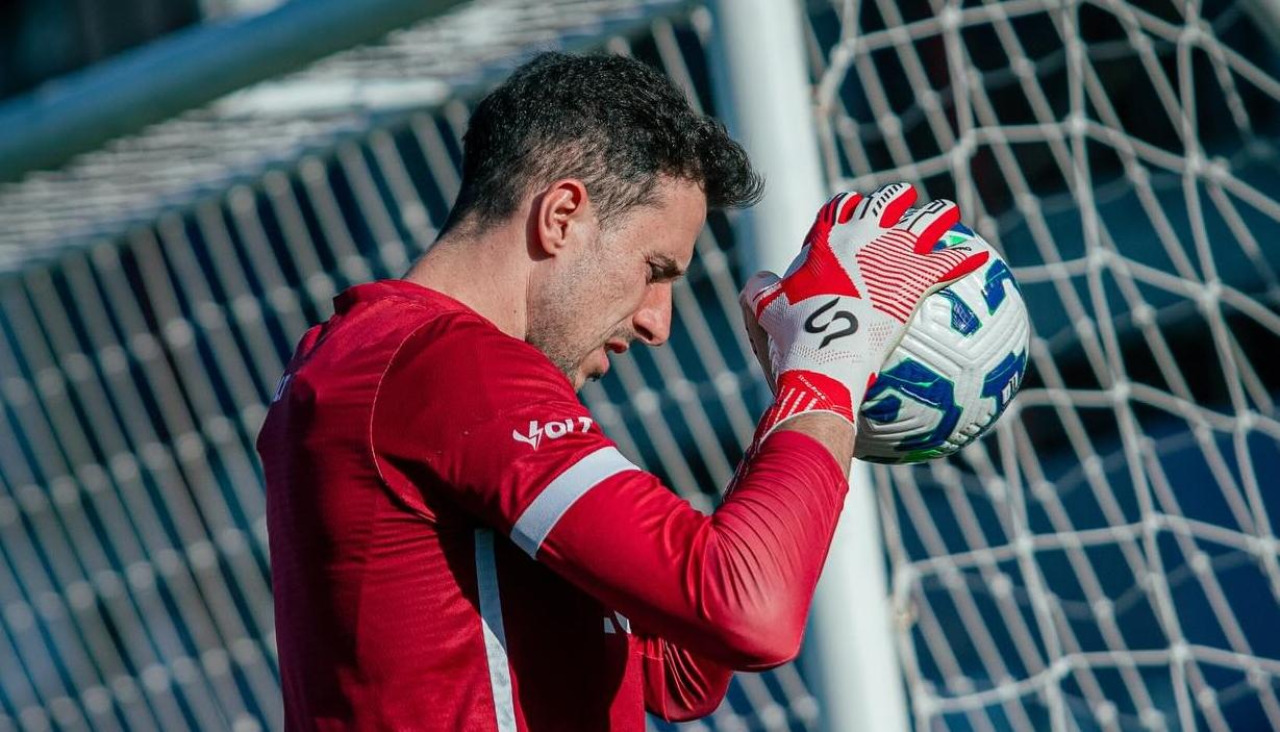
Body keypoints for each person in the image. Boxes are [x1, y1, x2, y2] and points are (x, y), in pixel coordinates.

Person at [255, 51, 986, 731]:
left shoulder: (371, 357)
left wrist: (794, 412)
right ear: (561, 216)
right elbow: (750, 610)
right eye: (655, 270)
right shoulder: (445, 365)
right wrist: (827, 371)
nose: (656, 322)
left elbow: (679, 669)